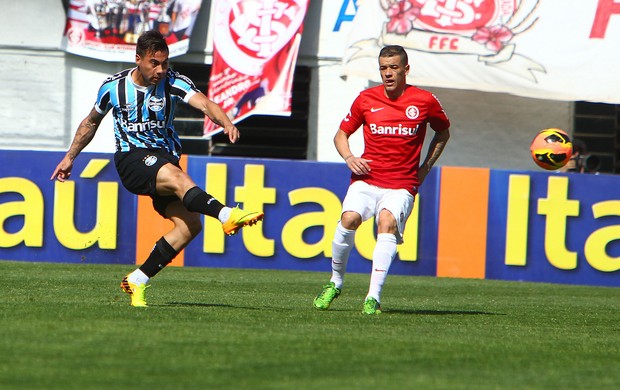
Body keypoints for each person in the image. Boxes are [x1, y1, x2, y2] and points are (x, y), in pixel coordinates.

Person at [51, 30, 264, 307]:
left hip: (163, 159)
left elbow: (204, 103)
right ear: (138, 59)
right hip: (132, 159)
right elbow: (91, 122)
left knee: (189, 226)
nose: (161, 70)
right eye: (155, 63)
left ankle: (137, 280)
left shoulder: (173, 82)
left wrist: (225, 121)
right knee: (178, 177)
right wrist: (70, 157)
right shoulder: (113, 88)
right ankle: (226, 214)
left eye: (165, 63)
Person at [312, 45, 450, 315]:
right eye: (383, 68)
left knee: (385, 224)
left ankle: (372, 297)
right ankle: (335, 283)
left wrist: (425, 169)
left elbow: (443, 133)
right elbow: (341, 135)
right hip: (367, 179)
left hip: (401, 184)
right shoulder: (366, 98)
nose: (388, 73)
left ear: (406, 70)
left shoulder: (424, 101)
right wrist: (350, 157)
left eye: (394, 68)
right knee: (348, 219)